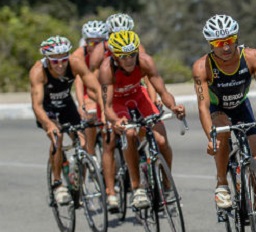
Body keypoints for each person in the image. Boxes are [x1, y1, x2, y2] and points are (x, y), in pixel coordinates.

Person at [192, 14, 256, 232]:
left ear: (236, 38)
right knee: (222, 130)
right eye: (218, 43)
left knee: (255, 158)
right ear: (210, 44)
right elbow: (203, 106)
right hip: (218, 110)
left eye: (229, 40)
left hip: (242, 107)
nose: (225, 47)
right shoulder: (202, 67)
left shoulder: (252, 57)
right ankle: (222, 183)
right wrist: (211, 137)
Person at [99, 30, 185, 209]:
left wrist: (174, 107)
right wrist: (115, 121)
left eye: (132, 55)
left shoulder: (145, 61)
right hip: (118, 103)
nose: (129, 60)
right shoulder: (107, 69)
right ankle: (137, 188)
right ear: (115, 55)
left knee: (161, 140)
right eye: (124, 56)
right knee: (130, 133)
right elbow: (107, 107)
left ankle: (167, 184)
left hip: (139, 97)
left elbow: (162, 92)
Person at [30, 35, 105, 205]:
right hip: (47, 109)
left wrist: (105, 112)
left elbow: (96, 88)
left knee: (83, 142)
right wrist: (49, 124)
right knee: (58, 137)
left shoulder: (75, 63)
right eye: (55, 61)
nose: (60, 65)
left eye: (63, 59)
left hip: (66, 104)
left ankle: (77, 182)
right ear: (47, 59)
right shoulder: (38, 71)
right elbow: (37, 106)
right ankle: (58, 184)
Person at [72, 20, 108, 164]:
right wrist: (81, 104)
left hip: (107, 89)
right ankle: (91, 151)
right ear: (85, 41)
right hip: (90, 92)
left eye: (99, 42)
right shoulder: (79, 54)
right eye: (91, 42)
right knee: (90, 112)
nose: (95, 46)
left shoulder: (111, 50)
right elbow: (79, 81)